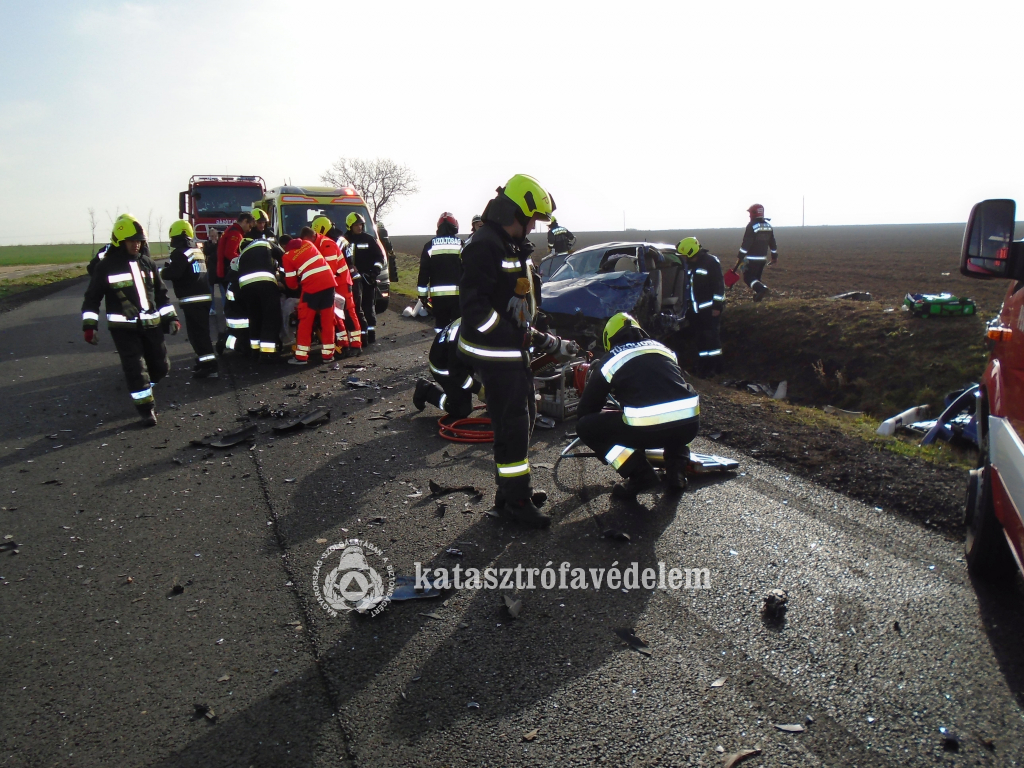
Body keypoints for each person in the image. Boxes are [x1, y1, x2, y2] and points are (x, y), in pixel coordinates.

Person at [458, 174, 576, 528]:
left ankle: (510, 493)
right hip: (497, 355)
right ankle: (516, 504)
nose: (533, 229)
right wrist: (514, 336)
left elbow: (517, 300)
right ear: (517, 212)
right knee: (512, 426)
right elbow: (475, 311)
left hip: (513, 352)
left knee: (523, 419)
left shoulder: (510, 245)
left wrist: (531, 332)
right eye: (532, 221)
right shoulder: (485, 245)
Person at [575, 312, 700, 497]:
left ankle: (639, 474)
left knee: (585, 427)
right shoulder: (664, 349)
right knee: (674, 412)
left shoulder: (610, 359)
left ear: (609, 338)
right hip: (689, 425)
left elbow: (586, 410)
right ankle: (677, 474)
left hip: (646, 431)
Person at [81, 215, 179, 426]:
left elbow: (161, 295)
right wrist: (90, 326)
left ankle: (144, 387)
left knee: (161, 367)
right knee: (135, 368)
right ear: (119, 241)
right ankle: (146, 410)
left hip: (152, 325)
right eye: (132, 240)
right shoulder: (106, 266)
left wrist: (171, 317)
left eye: (139, 240)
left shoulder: (148, 264)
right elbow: (92, 297)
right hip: (124, 328)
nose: (137, 244)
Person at [160, 220, 217, 378]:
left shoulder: (180, 253)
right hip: (203, 298)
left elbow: (174, 273)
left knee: (198, 335)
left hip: (193, 299)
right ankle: (204, 362)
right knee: (201, 333)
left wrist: (163, 272)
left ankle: (210, 367)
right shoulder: (196, 251)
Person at [282, 227, 336, 365]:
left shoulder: (287, 256)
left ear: (284, 247)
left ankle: (301, 357)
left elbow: (291, 283)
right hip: (329, 283)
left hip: (312, 287)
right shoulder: (309, 244)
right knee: (327, 319)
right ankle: (328, 355)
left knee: (305, 320)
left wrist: (295, 286)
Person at [412, 318, 484, 418]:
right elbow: (457, 372)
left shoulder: (480, 318)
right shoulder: (462, 337)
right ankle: (427, 390)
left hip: (461, 361)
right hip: (444, 369)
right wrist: (479, 389)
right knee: (462, 409)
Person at [312, 216, 362, 358]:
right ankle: (344, 344)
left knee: (348, 312)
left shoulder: (333, 242)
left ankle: (355, 345)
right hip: (340, 280)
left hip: (343, 281)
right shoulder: (337, 238)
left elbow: (330, 266)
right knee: (338, 314)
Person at [677, 237, 725, 377]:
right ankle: (704, 367)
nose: (683, 258)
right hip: (695, 312)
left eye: (684, 255)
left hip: (710, 311)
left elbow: (718, 286)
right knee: (701, 340)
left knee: (712, 340)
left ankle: (717, 367)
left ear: (691, 252)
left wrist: (717, 307)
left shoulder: (710, 262)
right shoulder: (689, 265)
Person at [235, 237, 284, 362]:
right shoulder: (268, 243)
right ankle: (268, 353)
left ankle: (255, 350)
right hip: (265, 282)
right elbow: (284, 259)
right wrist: (284, 279)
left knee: (255, 317)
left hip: (245, 286)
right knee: (271, 316)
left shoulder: (244, 252)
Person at [417, 212, 463, 332]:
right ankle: (454, 349)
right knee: (457, 327)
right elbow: (469, 270)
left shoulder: (430, 246)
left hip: (438, 298)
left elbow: (424, 272)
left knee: (440, 327)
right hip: (458, 296)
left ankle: (441, 347)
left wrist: (422, 295)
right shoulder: (462, 245)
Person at [344, 212, 386, 345]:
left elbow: (380, 258)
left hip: (368, 279)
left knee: (368, 306)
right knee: (353, 307)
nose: (359, 227)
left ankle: (370, 333)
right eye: (356, 225)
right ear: (350, 226)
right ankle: (358, 335)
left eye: (361, 225)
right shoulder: (344, 240)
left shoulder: (369, 239)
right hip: (350, 280)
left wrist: (374, 272)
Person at [733, 203, 777, 302]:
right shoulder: (768, 226)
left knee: (748, 278)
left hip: (751, 259)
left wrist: (740, 256)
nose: (749, 216)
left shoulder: (751, 226)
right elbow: (772, 243)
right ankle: (758, 298)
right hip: (762, 259)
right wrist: (774, 256)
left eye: (750, 213)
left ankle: (762, 289)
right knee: (756, 279)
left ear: (754, 213)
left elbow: (746, 243)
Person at [202, 227, 221, 315]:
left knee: (223, 290)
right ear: (209, 236)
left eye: (215, 235)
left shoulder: (221, 243)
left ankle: (225, 308)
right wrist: (213, 245)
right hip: (210, 270)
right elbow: (206, 252)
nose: (214, 237)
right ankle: (212, 309)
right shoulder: (207, 244)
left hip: (220, 269)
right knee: (210, 291)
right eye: (212, 236)